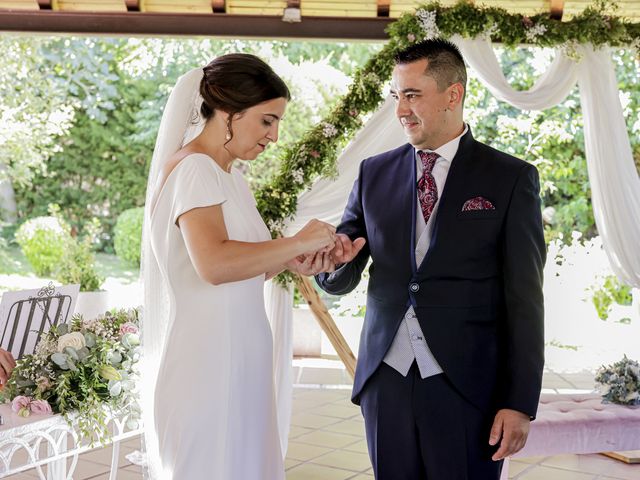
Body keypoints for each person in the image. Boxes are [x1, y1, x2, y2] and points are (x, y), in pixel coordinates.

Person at [316, 39, 546, 479]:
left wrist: (519, 402)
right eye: (396, 96)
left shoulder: (510, 178)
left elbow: (525, 300)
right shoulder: (373, 173)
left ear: (453, 94)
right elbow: (342, 269)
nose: (401, 109)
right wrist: (330, 264)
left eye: (412, 94)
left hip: (467, 385)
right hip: (386, 380)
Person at [141, 53, 336, 480]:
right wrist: (296, 240)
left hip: (242, 352)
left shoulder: (229, 176)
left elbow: (242, 269)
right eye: (267, 120)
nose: (275, 136)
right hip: (208, 359)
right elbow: (213, 265)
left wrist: (292, 258)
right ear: (229, 111)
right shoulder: (194, 169)